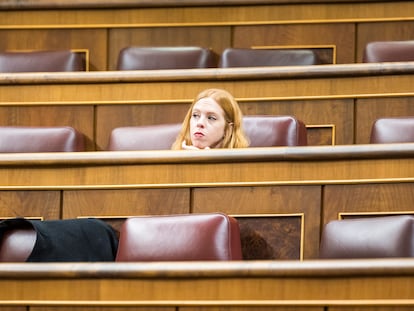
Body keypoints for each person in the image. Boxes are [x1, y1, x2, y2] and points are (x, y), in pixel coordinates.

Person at [171, 88, 250, 150]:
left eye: (211, 118)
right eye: (195, 115)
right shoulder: (170, 162)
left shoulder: (243, 167)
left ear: (228, 129)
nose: (200, 123)